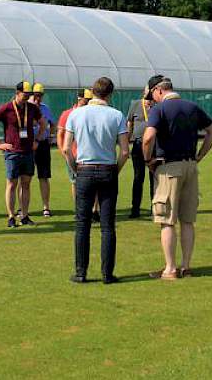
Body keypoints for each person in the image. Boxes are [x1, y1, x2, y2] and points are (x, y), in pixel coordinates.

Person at [142, 78, 212, 280]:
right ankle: (186, 266)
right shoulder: (192, 106)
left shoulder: (159, 110)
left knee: (167, 220)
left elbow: (148, 137)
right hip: (190, 166)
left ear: (158, 91)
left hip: (169, 167)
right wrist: (200, 155)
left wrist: (147, 159)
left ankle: (170, 268)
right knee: (187, 220)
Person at [62, 77, 129, 284]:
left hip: (84, 169)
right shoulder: (116, 115)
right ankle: (107, 274)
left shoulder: (76, 114)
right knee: (108, 225)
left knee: (82, 224)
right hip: (108, 169)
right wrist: (115, 170)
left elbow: (65, 148)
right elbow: (125, 151)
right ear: (110, 94)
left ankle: (81, 272)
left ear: (92, 91)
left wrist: (75, 168)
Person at [0, 81, 47, 228]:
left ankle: (25, 216)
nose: (27, 97)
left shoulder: (32, 108)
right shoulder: (6, 108)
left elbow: (43, 123)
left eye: (28, 95)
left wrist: (37, 140)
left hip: (28, 152)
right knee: (12, 184)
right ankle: (11, 217)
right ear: (17, 93)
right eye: (24, 95)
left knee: (26, 184)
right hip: (12, 153)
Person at [126, 75, 162, 218]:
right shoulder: (135, 104)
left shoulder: (158, 106)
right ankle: (135, 209)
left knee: (154, 177)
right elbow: (129, 123)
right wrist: (127, 141)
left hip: (155, 145)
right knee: (138, 177)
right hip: (138, 145)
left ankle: (155, 208)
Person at [57, 89, 90, 199]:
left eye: (90, 101)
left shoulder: (91, 114)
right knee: (75, 182)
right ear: (79, 99)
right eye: (86, 101)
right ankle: (78, 208)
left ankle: (95, 210)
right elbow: (60, 134)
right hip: (73, 155)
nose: (88, 103)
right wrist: (63, 151)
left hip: (89, 154)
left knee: (91, 182)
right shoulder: (67, 114)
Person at [29, 83, 56, 217]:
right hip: (27, 145)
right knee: (24, 177)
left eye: (40, 95)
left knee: (44, 176)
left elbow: (52, 124)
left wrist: (51, 136)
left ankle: (46, 207)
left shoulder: (45, 109)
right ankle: (23, 208)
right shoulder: (25, 108)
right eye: (36, 95)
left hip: (43, 145)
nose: (38, 98)